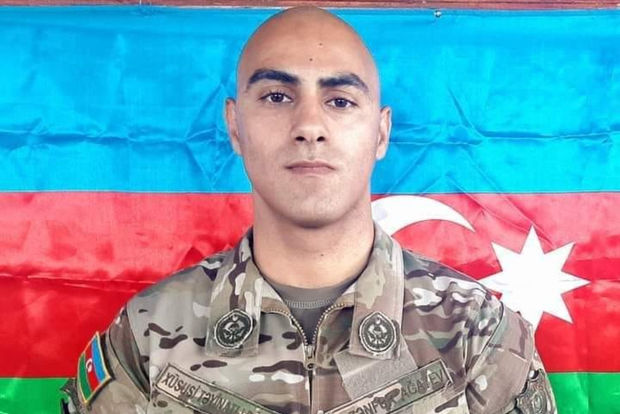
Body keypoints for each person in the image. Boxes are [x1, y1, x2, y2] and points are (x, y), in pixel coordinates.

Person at [61, 6, 556, 414]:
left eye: (340, 101)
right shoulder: (146, 337)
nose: (309, 126)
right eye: (277, 96)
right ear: (234, 126)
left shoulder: (476, 335)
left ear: (381, 133)